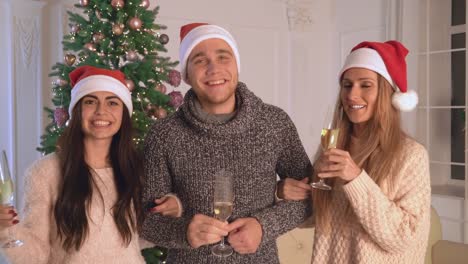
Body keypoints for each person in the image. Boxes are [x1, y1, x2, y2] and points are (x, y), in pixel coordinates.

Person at [141, 23, 312, 263]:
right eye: (200, 60)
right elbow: (146, 220)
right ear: (186, 75)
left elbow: (311, 198)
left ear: (237, 66)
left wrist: (264, 226)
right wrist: (183, 232)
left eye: (223, 57)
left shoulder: (274, 123)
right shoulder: (164, 134)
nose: (214, 68)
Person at [0, 65, 180, 263]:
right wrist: (6, 231)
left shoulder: (137, 169)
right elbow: (35, 255)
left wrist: (171, 209)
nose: (101, 111)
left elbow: (144, 238)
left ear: (123, 113)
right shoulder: (46, 173)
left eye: (112, 103)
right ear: (77, 110)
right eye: (90, 101)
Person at [278, 41, 431, 263]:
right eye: (347, 85)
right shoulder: (335, 146)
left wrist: (356, 178)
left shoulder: (412, 155)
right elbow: (315, 216)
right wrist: (285, 194)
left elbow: (403, 236)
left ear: (387, 94)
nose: (352, 95)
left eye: (365, 85)